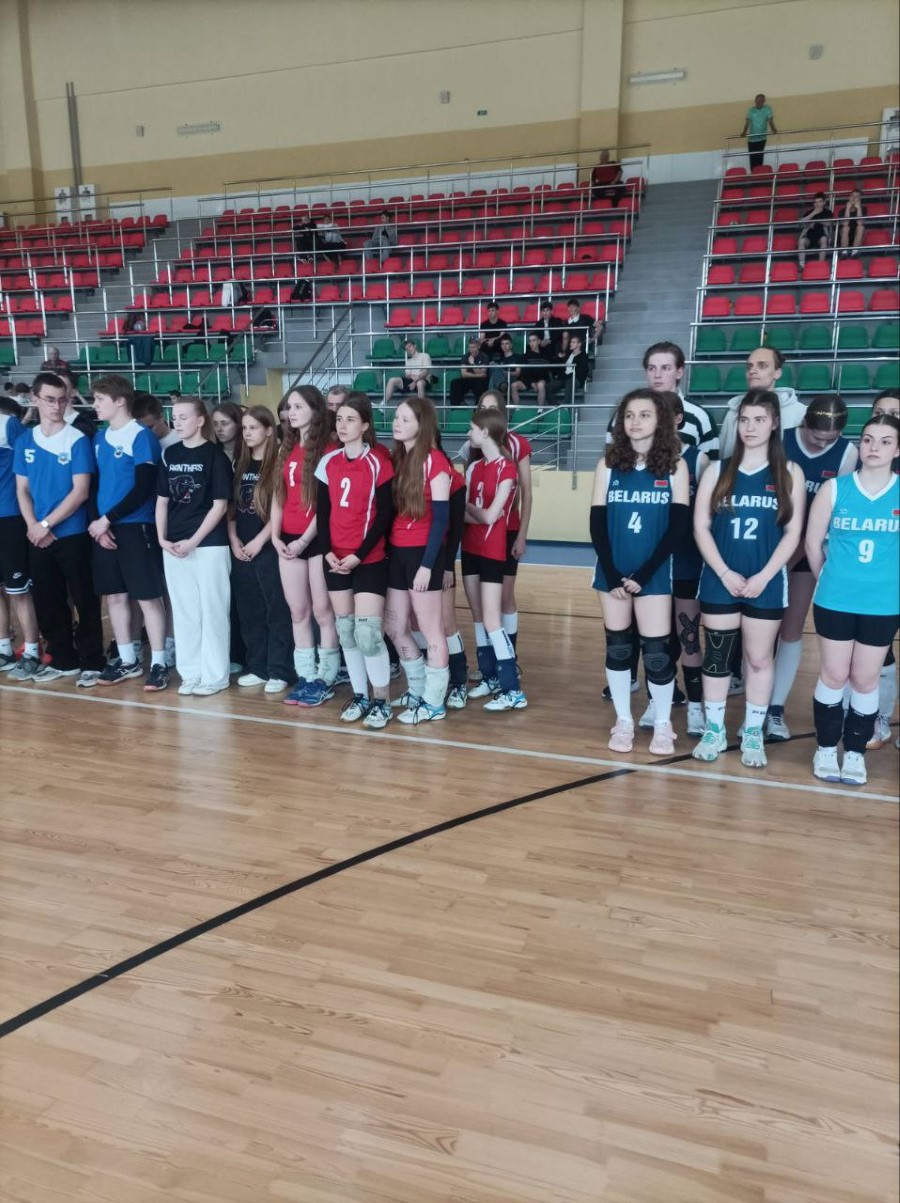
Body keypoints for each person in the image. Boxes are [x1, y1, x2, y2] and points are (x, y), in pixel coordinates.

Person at [692, 389, 806, 768]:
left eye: (759, 419)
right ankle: (714, 729)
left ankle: (753, 731)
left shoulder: (789, 473)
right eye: (744, 420)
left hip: (766, 582)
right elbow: (701, 527)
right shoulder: (717, 470)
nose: (750, 427)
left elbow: (793, 532)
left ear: (774, 423)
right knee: (717, 657)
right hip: (719, 580)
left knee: (758, 659)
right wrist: (724, 572)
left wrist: (764, 575)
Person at [590, 389, 689, 754]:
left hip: (655, 574)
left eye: (644, 415)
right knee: (618, 648)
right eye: (629, 415)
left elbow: (677, 528)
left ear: (660, 420)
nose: (635, 422)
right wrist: (613, 573)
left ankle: (662, 724)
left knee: (657, 653)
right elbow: (597, 523)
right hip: (612, 574)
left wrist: (644, 575)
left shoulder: (676, 466)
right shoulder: (607, 464)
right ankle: (623, 720)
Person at [805, 413, 899, 785]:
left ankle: (856, 753)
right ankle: (827, 748)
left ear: (897, 449)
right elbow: (813, 544)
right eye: (869, 439)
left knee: (865, 678)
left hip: (883, 603)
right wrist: (830, 580)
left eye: (885, 441)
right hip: (835, 599)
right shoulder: (835, 489)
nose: (874, 447)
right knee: (833, 674)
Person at [764, 396, 857, 741]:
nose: (822, 444)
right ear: (804, 424)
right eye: (817, 437)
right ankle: (754, 702)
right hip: (765, 547)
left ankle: (776, 708)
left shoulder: (847, 454)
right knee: (759, 631)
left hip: (806, 550)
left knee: (791, 629)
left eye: (830, 439)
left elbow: (830, 516)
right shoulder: (780, 439)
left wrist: (796, 555)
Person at [12, 372, 105, 685]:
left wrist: (46, 524)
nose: (56, 406)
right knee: (48, 601)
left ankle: (92, 660)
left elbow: (80, 492)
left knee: (84, 599)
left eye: (62, 400)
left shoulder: (77, 439)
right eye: (50, 400)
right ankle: (63, 660)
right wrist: (32, 525)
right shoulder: (25, 441)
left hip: (72, 534)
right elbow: (22, 490)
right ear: (35, 399)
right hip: (37, 536)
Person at [315, 392, 395, 729]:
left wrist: (358, 555)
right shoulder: (328, 462)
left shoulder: (378, 462)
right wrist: (328, 552)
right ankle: (360, 695)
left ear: (364, 425)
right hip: (334, 558)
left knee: (367, 633)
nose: (343, 425)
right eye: (339, 419)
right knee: (346, 630)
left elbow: (385, 515)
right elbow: (322, 512)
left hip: (369, 559)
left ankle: (382, 701)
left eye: (350, 419)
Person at [87, 375, 169, 691]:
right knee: (116, 596)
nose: (95, 405)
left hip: (136, 526)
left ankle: (159, 663)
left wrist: (107, 519)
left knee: (148, 596)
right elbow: (94, 485)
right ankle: (127, 660)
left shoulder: (140, 436)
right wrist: (98, 525)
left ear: (119, 400)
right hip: (105, 529)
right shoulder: (99, 438)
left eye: (100, 399)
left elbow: (143, 487)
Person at [156, 396, 233, 696]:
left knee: (212, 609)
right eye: (174, 417)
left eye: (184, 417)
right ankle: (190, 673)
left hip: (209, 544)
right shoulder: (170, 454)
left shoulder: (215, 456)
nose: (177, 422)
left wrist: (193, 541)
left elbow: (219, 506)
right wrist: (162, 538)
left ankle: (215, 675)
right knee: (185, 610)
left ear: (200, 420)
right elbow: (162, 501)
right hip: (174, 545)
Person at [270, 385, 341, 708]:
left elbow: (327, 505)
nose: (291, 412)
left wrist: (304, 540)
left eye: (298, 406)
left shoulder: (329, 450)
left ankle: (325, 678)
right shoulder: (285, 448)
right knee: (298, 611)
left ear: (315, 410)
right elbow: (279, 495)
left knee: (323, 611)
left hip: (316, 540)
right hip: (288, 540)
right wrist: (275, 535)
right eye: (289, 407)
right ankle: (306, 676)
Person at [384, 397, 452, 724]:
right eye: (396, 417)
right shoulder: (398, 459)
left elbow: (441, 520)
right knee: (394, 627)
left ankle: (434, 703)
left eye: (405, 419)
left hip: (423, 554)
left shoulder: (435, 461)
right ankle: (418, 689)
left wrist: (427, 566)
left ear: (421, 425)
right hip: (397, 551)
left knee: (431, 630)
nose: (397, 423)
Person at [461, 407, 526, 711]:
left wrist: (475, 511)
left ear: (485, 431)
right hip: (470, 547)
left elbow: (489, 516)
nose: (468, 433)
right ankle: (489, 677)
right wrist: (480, 513)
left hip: (491, 549)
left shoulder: (507, 469)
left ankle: (512, 688)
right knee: (477, 616)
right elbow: (473, 513)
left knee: (491, 618)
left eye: (472, 428)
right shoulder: (474, 468)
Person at [228, 407, 296, 694]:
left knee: (276, 610)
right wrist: (234, 539)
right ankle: (258, 666)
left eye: (253, 427)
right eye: (244, 428)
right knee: (250, 610)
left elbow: (281, 509)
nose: (247, 433)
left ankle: (280, 669)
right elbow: (232, 508)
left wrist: (260, 540)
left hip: (267, 548)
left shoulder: (279, 464)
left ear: (269, 430)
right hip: (242, 548)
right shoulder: (240, 463)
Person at [472, 391, 532, 661]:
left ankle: (508, 658)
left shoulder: (518, 444)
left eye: (492, 408)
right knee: (482, 604)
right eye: (482, 407)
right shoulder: (474, 445)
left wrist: (522, 535)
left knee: (505, 597)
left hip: (506, 530)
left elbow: (527, 493)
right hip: (478, 533)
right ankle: (488, 663)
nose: (487, 412)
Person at [0, 396, 41, 680]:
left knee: (18, 591)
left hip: (10, 517)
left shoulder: (8, 424)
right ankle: (4, 648)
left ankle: (32, 651)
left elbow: (30, 465)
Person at [718, 346, 806, 458]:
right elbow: (725, 455)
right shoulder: (733, 412)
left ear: (777, 373)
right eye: (749, 367)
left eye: (762, 366)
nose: (752, 371)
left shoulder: (799, 413)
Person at [383, 339, 432, 403]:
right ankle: (383, 403)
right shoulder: (408, 361)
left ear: (415, 346)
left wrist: (415, 381)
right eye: (406, 349)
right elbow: (407, 375)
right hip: (411, 381)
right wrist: (411, 377)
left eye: (410, 346)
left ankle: (421, 407)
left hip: (423, 380)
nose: (409, 349)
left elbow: (425, 372)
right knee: (392, 380)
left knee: (419, 383)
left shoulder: (425, 356)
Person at [513, 333, 551, 410]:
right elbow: (524, 373)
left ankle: (540, 410)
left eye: (534, 340)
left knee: (540, 385)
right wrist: (531, 383)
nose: (531, 343)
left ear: (539, 341)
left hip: (541, 380)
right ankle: (517, 410)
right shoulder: (525, 356)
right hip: (528, 381)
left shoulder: (545, 355)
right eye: (530, 341)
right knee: (514, 385)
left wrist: (536, 382)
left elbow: (545, 372)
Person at [740, 93, 777, 170]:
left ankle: (759, 172)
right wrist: (744, 132)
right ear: (755, 101)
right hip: (752, 139)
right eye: (757, 100)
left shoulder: (767, 109)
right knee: (752, 157)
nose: (758, 102)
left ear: (763, 101)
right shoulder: (751, 110)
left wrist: (773, 129)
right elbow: (747, 123)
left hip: (762, 138)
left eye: (760, 101)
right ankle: (753, 173)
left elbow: (770, 121)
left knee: (760, 156)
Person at [449, 337, 490, 407]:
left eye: (474, 347)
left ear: (479, 347)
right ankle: (456, 407)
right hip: (468, 379)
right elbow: (463, 374)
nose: (471, 349)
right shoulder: (465, 356)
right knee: (454, 383)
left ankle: (478, 408)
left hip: (480, 381)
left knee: (481, 384)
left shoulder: (484, 356)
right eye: (470, 347)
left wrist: (472, 364)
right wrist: (477, 374)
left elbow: (483, 374)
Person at [798, 193, 835, 268]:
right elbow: (801, 223)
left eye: (820, 202)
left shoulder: (827, 212)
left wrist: (816, 221)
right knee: (801, 241)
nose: (817, 204)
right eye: (816, 202)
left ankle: (820, 264)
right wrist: (814, 213)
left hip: (821, 236)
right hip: (809, 237)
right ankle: (802, 265)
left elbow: (829, 223)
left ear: (824, 202)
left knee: (824, 239)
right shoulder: (809, 212)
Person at [840, 188, 865, 257]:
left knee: (860, 227)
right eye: (852, 196)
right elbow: (845, 223)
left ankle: (855, 252)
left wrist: (859, 208)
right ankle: (844, 252)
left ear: (859, 199)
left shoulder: (863, 209)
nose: (854, 198)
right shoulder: (842, 210)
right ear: (849, 197)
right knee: (846, 228)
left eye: (857, 196)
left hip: (857, 236)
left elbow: (860, 223)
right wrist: (847, 209)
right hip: (845, 236)